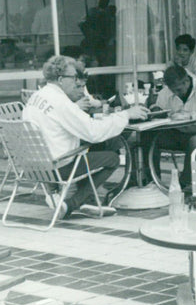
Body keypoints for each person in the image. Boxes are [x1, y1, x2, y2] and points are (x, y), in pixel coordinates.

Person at [23, 55, 148, 219]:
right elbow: (93, 132)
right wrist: (126, 115)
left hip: (33, 167)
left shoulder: (36, 97)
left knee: (92, 146)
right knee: (112, 158)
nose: (76, 82)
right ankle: (72, 204)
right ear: (61, 79)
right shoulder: (60, 102)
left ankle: (87, 200)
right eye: (73, 77)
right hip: (57, 167)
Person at [146, 65, 196, 188]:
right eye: (173, 90)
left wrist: (193, 117)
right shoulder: (167, 91)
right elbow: (160, 108)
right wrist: (156, 110)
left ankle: (185, 184)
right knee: (147, 136)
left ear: (186, 81)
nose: (176, 93)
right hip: (179, 133)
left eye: (179, 90)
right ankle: (151, 180)